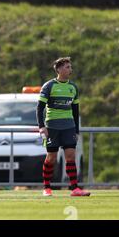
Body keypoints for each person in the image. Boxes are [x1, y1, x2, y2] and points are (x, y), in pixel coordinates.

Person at [37, 57, 90, 197]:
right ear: (59, 69)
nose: (70, 70)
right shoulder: (49, 86)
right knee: (51, 158)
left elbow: (76, 110)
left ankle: (74, 188)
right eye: (67, 67)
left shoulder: (73, 87)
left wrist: (76, 130)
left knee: (71, 156)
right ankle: (46, 187)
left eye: (70, 67)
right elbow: (39, 108)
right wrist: (42, 126)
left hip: (68, 127)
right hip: (52, 127)